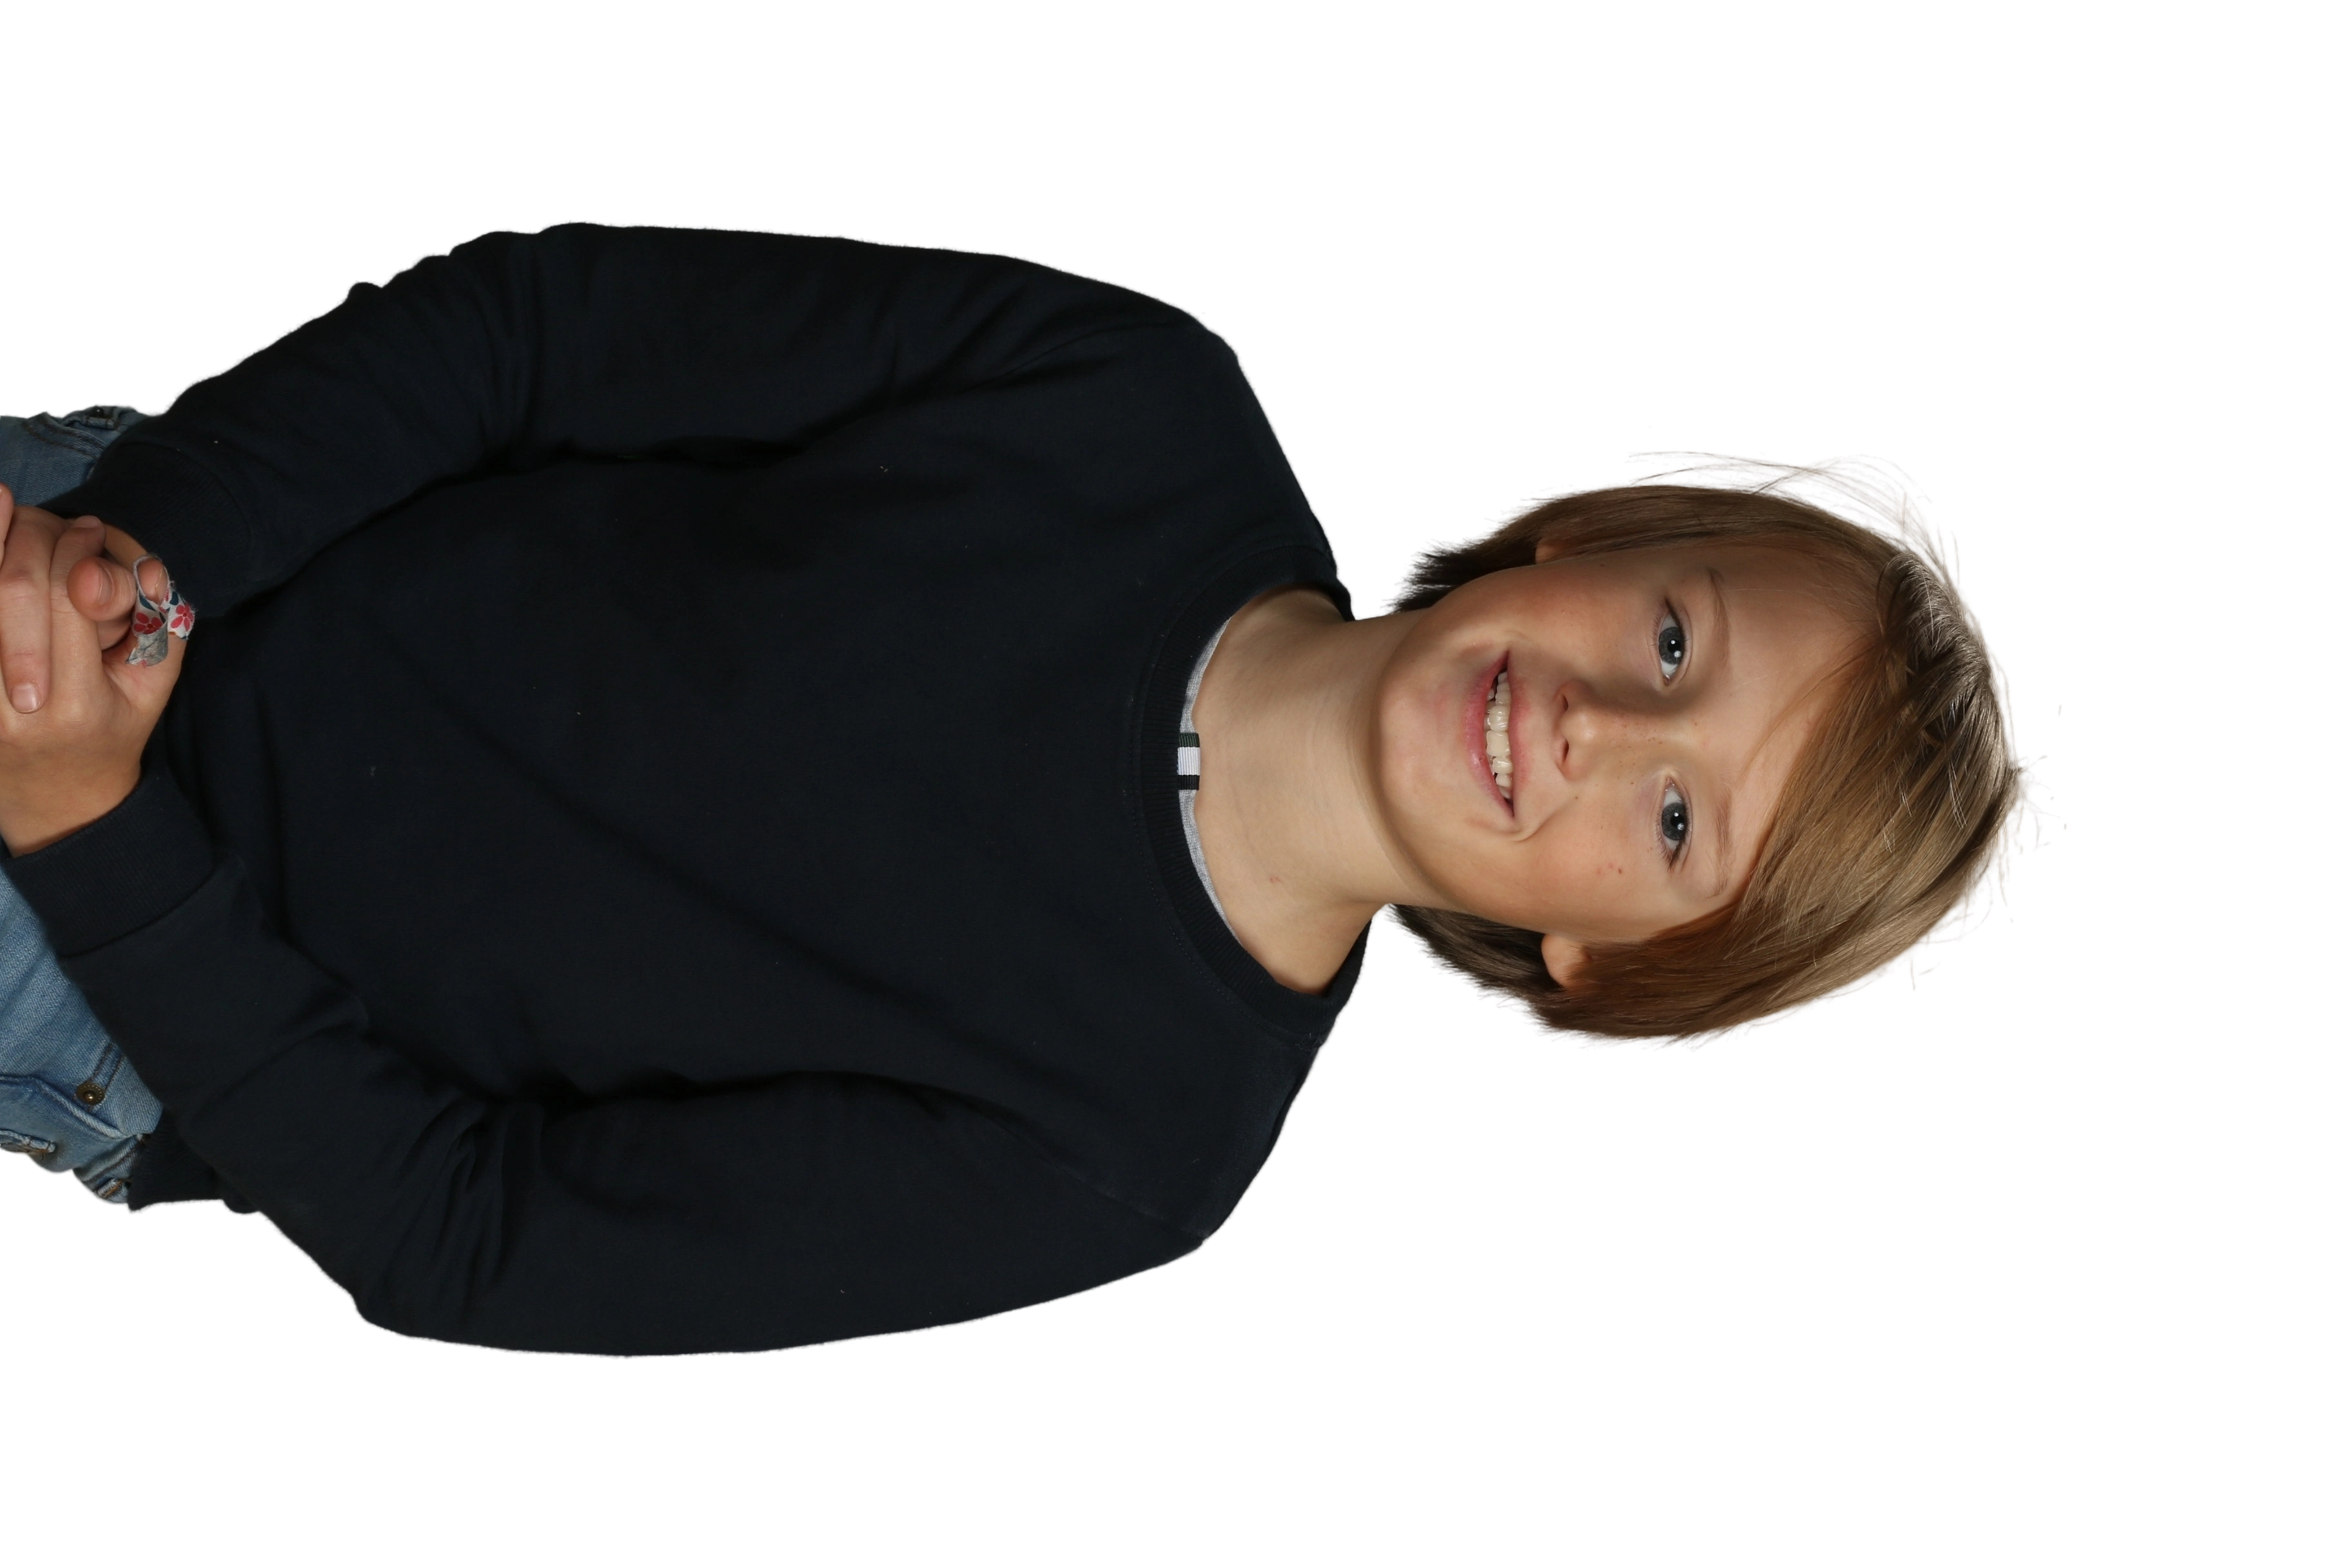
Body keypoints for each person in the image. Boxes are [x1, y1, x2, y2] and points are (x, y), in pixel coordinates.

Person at [0, 220, 2039, 1357]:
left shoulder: (1128, 1149)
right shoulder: (1137, 401)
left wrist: (92, 822)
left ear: (1601, 964)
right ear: (1588, 541)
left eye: (1677, 825)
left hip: (92, 962)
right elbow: (534, 333)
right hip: (148, 539)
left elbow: (474, 1240)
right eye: (1674, 640)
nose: (1600, 726)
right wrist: (144, 567)